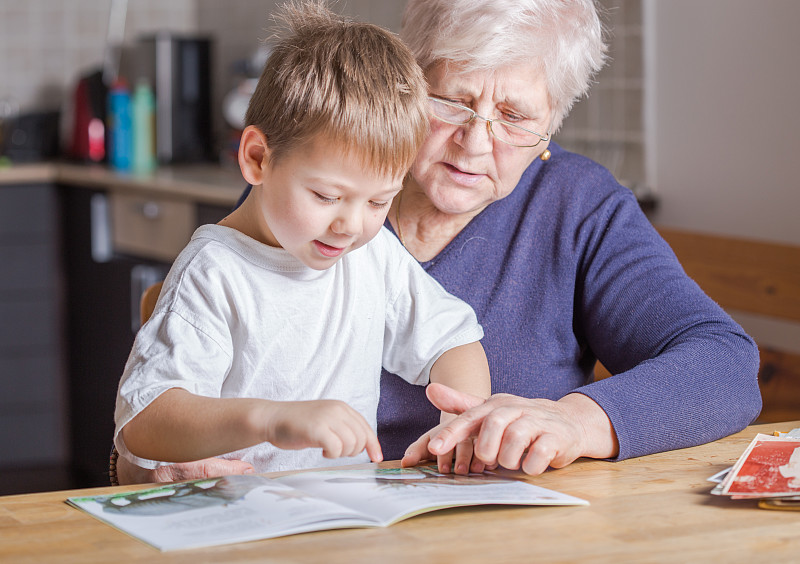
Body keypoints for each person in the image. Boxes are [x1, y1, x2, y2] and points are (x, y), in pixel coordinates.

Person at [116, 0, 761, 484]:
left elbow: (722, 363)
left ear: (548, 130)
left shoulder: (576, 204)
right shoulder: (313, 198)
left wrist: (576, 420)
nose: (477, 142)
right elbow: (155, 415)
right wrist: (155, 469)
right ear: (405, 85)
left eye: (514, 117)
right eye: (452, 100)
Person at [113, 1, 491, 477]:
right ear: (256, 158)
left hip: (343, 525)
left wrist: (464, 417)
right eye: (326, 195)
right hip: (238, 530)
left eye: (378, 202)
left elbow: (453, 341)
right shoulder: (215, 271)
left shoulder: (372, 256)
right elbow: (144, 421)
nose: (351, 225)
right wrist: (271, 419)